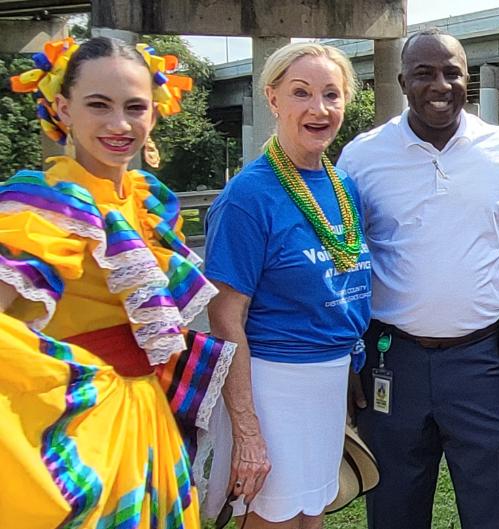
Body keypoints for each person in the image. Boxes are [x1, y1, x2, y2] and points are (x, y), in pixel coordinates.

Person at [1, 36, 231, 527]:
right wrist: (56, 379)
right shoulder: (47, 205)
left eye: (134, 107)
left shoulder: (146, 202)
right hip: (80, 423)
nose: (119, 124)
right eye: (98, 105)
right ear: (63, 108)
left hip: (148, 412)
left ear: (155, 112)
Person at [335, 30, 499, 529]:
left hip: (482, 364)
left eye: (452, 72)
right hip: (392, 361)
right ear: (401, 82)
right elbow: (344, 261)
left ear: (467, 78)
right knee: (394, 510)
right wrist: (346, 356)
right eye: (424, 73)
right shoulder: (362, 156)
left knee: (495, 511)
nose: (441, 84)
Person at [205, 42, 371, 527]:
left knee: (311, 515)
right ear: (273, 99)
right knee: (272, 517)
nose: (319, 109)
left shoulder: (344, 188)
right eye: (301, 93)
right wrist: (248, 429)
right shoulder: (248, 197)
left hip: (329, 380)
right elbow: (224, 316)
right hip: (273, 384)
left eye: (331, 95)